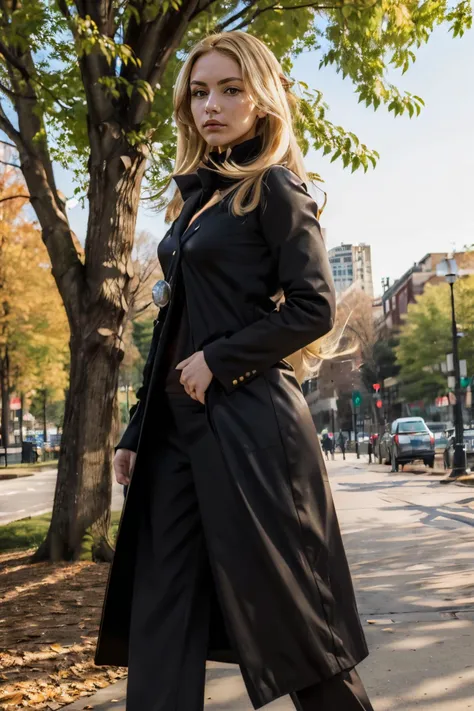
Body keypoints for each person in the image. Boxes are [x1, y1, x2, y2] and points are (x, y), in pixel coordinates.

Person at [95, 31, 372, 711]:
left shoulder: (274, 189)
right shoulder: (197, 201)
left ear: (262, 97)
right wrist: (135, 427)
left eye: (229, 89)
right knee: (161, 613)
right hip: (176, 435)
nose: (209, 105)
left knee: (296, 624)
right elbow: (174, 320)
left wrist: (220, 360)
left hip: (252, 433)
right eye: (198, 92)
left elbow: (313, 307)